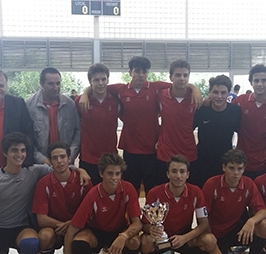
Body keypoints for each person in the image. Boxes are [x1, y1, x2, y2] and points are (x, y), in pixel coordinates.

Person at [78, 56, 201, 196]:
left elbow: (181, 84)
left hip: (151, 152)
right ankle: (133, 218)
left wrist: (195, 88)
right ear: (130, 72)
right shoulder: (121, 90)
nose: (141, 75)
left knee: (152, 191)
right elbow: (98, 85)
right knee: (129, 191)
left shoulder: (156, 88)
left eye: (144, 71)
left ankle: (151, 218)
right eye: (137, 71)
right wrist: (85, 94)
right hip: (130, 151)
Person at [62, 153, 142, 254]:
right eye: (110, 173)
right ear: (101, 173)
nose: (114, 178)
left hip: (118, 230)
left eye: (118, 173)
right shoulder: (93, 194)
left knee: (135, 241)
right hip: (96, 232)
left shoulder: (128, 189)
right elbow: (71, 231)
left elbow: (137, 223)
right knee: (78, 243)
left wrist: (123, 236)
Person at [140, 155, 223, 254]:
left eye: (182, 171)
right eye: (174, 171)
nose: (178, 176)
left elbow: (204, 224)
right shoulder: (154, 193)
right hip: (162, 239)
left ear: (188, 174)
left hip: (184, 237)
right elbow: (144, 224)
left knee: (210, 240)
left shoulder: (196, 192)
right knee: (145, 241)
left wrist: (185, 237)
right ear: (167, 174)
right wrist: (152, 229)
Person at [202, 149, 266, 254]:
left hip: (236, 231)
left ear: (244, 169)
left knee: (264, 226)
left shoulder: (248, 184)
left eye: (239, 169)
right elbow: (202, 218)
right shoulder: (211, 184)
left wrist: (251, 221)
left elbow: (262, 211)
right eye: (231, 168)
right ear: (224, 167)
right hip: (216, 236)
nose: (235, 173)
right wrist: (213, 246)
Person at [32, 141, 93, 254]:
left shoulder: (83, 181)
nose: (59, 161)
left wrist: (73, 225)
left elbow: (91, 213)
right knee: (44, 236)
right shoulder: (43, 183)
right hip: (56, 229)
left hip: (78, 229)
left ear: (69, 158)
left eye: (62, 157)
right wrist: (64, 225)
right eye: (55, 158)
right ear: (50, 161)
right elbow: (41, 219)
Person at [232, 64, 266, 180]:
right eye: (256, 80)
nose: (260, 84)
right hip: (242, 162)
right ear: (251, 82)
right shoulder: (240, 101)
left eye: (264, 80)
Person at [192, 75, 241, 188]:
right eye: (215, 92)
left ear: (228, 93)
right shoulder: (201, 110)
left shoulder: (235, 111)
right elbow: (187, 130)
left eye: (223, 92)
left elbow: (244, 134)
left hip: (225, 162)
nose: (219, 96)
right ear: (210, 93)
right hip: (202, 162)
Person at [156, 60, 200, 185]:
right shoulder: (161, 95)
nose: (182, 78)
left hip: (188, 153)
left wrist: (194, 88)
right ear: (171, 77)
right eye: (178, 75)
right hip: (165, 153)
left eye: (185, 75)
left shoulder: (195, 98)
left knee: (189, 194)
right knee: (163, 193)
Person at [75, 63, 121, 185]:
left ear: (108, 80)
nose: (100, 83)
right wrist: (85, 94)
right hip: (88, 158)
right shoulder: (80, 102)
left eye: (103, 79)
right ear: (90, 81)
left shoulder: (116, 101)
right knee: (89, 195)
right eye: (96, 80)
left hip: (110, 158)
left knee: (109, 194)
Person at [26, 67, 81, 165]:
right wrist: (41, 159)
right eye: (51, 84)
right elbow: (26, 137)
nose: (55, 87)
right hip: (39, 164)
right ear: (42, 84)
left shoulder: (70, 105)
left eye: (58, 83)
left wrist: (69, 157)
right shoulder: (29, 106)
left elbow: (78, 132)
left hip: (65, 163)